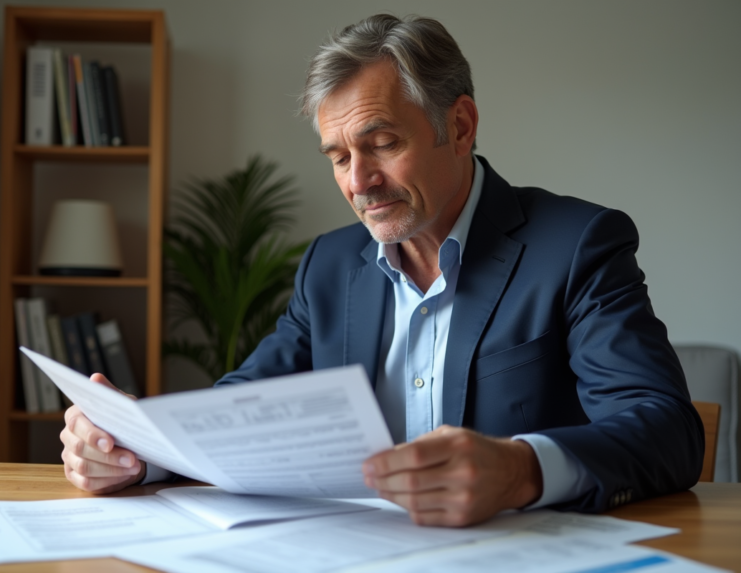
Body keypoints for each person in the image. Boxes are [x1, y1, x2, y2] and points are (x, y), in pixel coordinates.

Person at [59, 14, 703, 527]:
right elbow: (243, 408)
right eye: (338, 157)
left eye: (382, 144)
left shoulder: (576, 244)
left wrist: (520, 469)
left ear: (460, 125)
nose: (359, 182)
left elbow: (667, 429)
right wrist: (133, 447)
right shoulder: (330, 265)